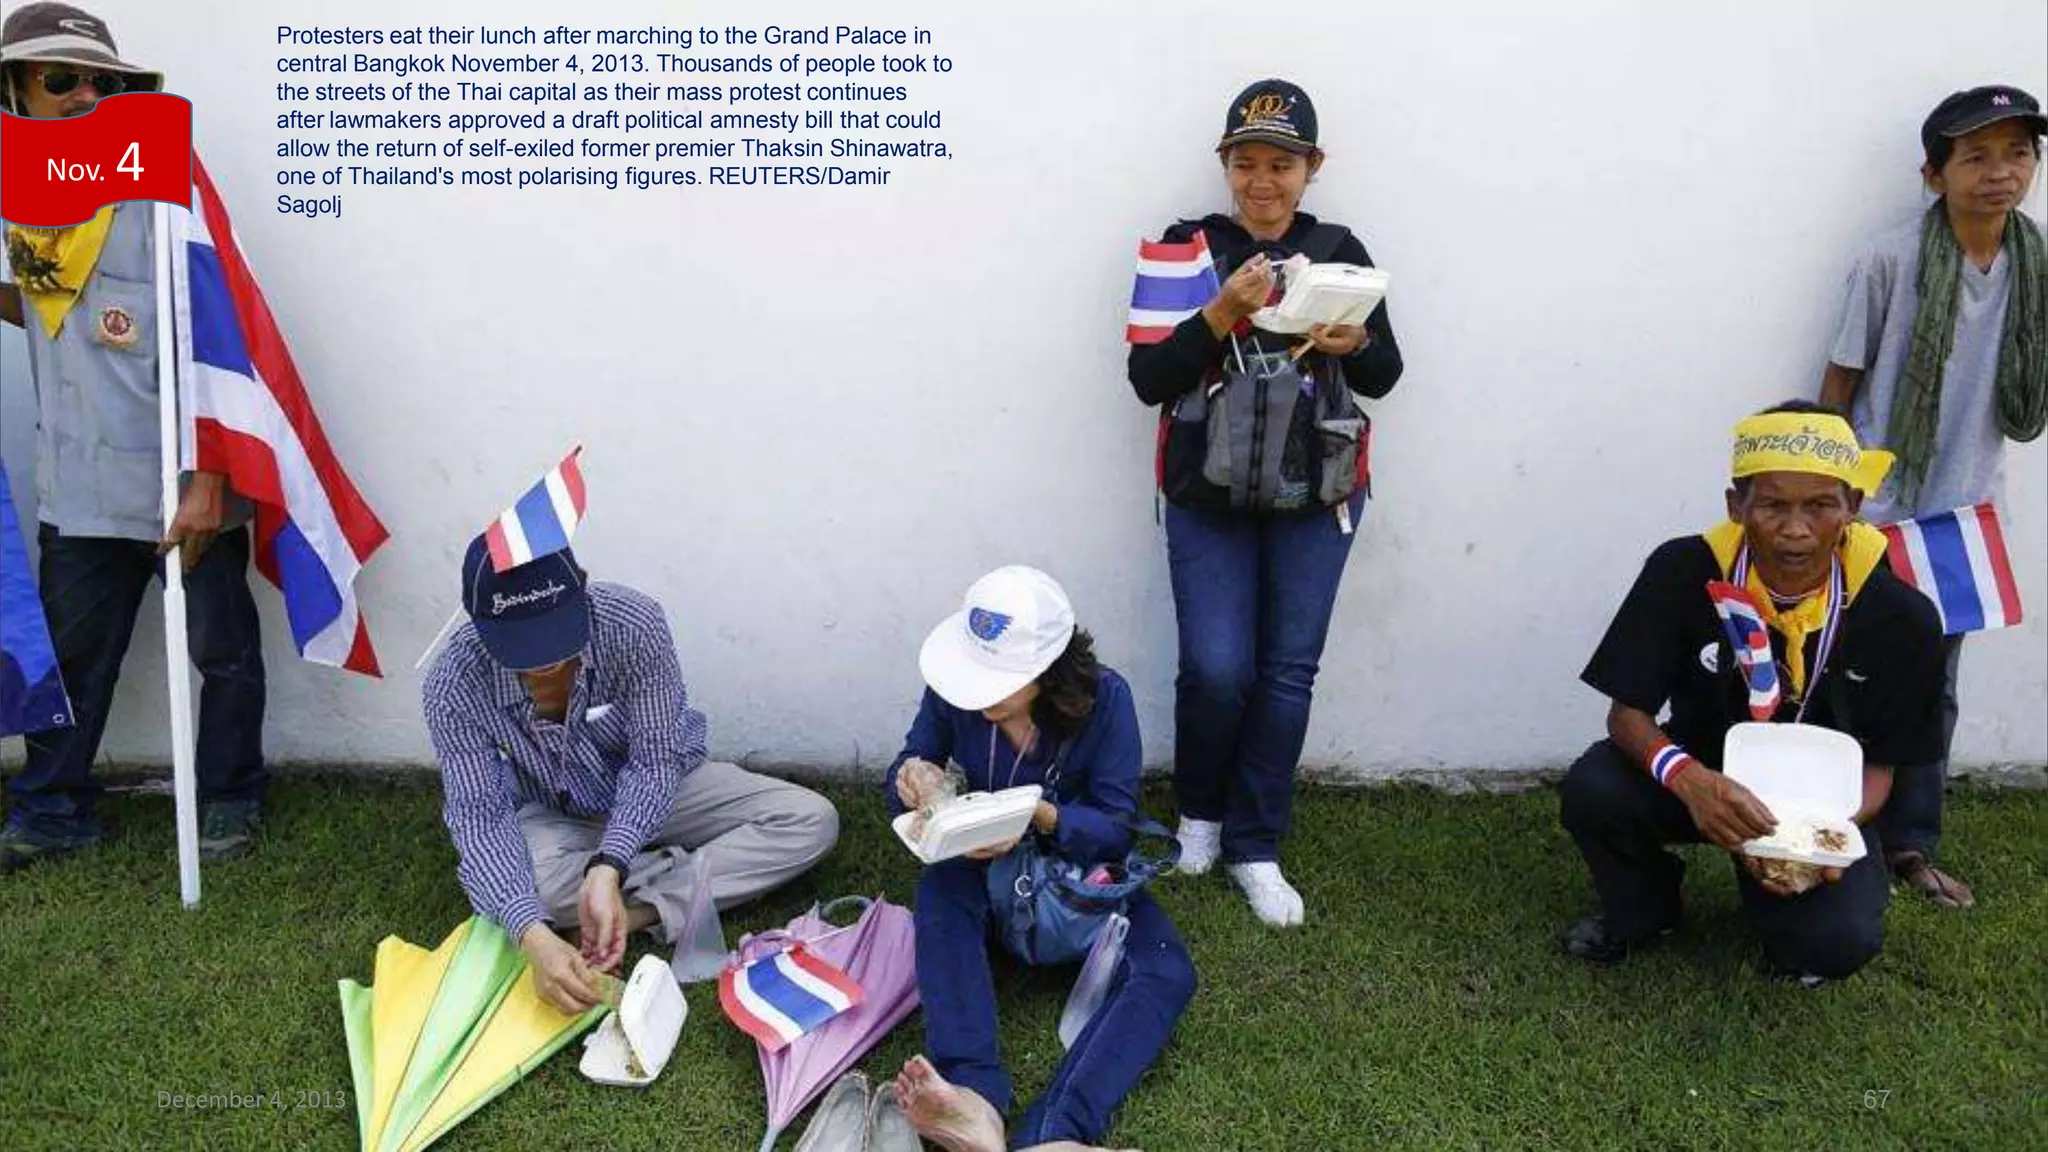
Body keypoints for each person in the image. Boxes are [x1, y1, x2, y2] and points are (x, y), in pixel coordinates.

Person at [1127, 79, 1403, 926]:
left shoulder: (1340, 249)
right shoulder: (1186, 248)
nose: (1262, 181)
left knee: (1287, 673)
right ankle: (1199, 819)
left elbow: (1386, 375)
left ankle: (1255, 845)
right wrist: (1221, 311)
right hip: (1205, 488)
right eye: (1245, 163)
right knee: (1216, 669)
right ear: (1225, 166)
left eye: (1280, 164)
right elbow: (1148, 378)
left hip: (1318, 490)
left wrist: (1353, 340)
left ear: (1312, 167)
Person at [0, 3, 269, 868]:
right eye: (61, 79)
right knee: (70, 662)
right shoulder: (22, 197)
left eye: (103, 82)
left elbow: (217, 338)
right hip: (79, 485)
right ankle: (52, 812)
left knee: (222, 654)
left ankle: (230, 797)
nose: (85, 94)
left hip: (182, 481)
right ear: (14, 90)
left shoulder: (164, 193)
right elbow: (56, 309)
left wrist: (208, 482)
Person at [1559, 403, 1946, 985]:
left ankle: (1792, 930)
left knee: (1836, 943)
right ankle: (1645, 911)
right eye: (1772, 506)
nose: (1796, 529)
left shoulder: (1900, 614)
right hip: (1700, 769)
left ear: (1853, 505)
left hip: (1822, 805)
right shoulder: (1683, 569)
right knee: (1596, 787)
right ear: (1735, 506)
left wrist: (1808, 844)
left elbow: (1881, 771)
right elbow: (1628, 715)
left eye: (1820, 506)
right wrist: (1690, 782)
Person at [421, 537, 840, 1014]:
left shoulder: (633, 623)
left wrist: (611, 864)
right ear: (479, 625)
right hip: (557, 812)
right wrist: (532, 937)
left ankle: (636, 912)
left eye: (554, 631)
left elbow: (655, 761)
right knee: (529, 893)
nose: (543, 658)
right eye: (522, 641)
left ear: (581, 592)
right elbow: (481, 818)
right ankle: (688, 875)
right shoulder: (452, 683)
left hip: (668, 789)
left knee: (810, 820)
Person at [1817, 85, 2045, 909]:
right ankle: (1832, 827)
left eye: (2018, 153)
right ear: (1933, 173)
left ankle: (1911, 844)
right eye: (1976, 156)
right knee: (1842, 672)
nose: (2001, 172)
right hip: (1878, 511)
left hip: (1965, 515)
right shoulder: (1888, 261)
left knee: (1933, 685)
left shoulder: (2035, 265)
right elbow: (1840, 383)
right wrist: (1828, 497)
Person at [885, 566, 1195, 1152]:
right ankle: (972, 1096)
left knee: (1166, 971)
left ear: (1047, 673)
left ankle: (1057, 1132)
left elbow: (1114, 829)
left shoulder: (1107, 700)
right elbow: (909, 763)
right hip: (981, 867)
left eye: (997, 684)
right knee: (941, 894)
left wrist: (1038, 816)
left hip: (1079, 878)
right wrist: (915, 781)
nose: (980, 699)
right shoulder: (954, 693)